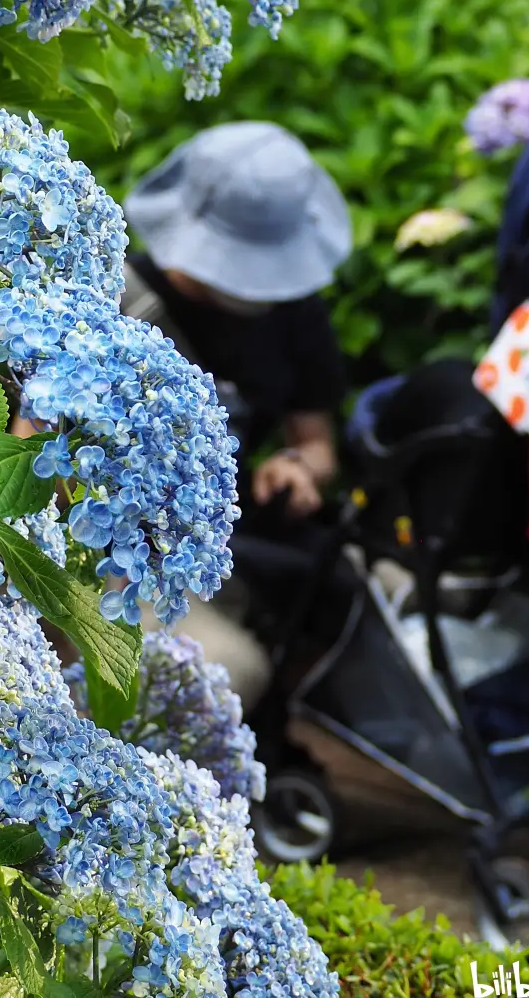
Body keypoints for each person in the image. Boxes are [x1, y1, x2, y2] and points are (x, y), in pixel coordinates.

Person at [118, 120, 353, 705]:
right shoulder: (121, 302)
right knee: (228, 672)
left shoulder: (294, 310)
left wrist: (300, 466)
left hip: (234, 542)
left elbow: (318, 444)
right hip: (125, 555)